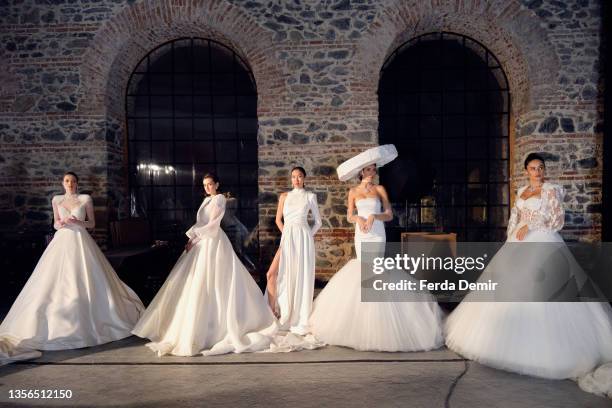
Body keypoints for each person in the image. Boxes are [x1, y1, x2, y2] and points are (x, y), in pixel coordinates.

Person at [445, 153, 612, 379]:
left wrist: (531, 225)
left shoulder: (551, 190)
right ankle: (500, 344)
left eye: (541, 167)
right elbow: (515, 216)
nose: (537, 172)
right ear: (526, 171)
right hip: (518, 241)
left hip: (543, 240)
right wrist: (511, 235)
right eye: (533, 168)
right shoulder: (522, 191)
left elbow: (556, 221)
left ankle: (542, 352)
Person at [309, 145, 444, 352]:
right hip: (361, 232)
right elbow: (349, 215)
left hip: (377, 231)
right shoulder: (353, 191)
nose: (373, 172)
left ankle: (380, 322)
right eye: (369, 169)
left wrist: (374, 216)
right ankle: (359, 323)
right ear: (362, 172)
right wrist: (360, 219)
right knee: (362, 269)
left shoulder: (380, 190)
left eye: (374, 169)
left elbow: (389, 214)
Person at [0, 172, 144, 364]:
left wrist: (78, 222)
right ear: (63, 183)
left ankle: (96, 321)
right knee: (51, 281)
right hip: (61, 242)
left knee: (85, 277)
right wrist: (58, 224)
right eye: (67, 181)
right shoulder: (56, 199)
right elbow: (55, 223)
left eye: (73, 181)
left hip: (80, 239)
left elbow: (92, 223)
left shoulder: (85, 198)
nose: (70, 184)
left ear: (77, 183)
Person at [132, 173, 278, 356]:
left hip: (213, 242)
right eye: (205, 185)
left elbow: (213, 225)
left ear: (217, 184)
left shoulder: (219, 199)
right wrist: (192, 238)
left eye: (210, 184)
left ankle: (215, 328)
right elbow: (200, 222)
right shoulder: (206, 201)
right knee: (194, 283)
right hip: (201, 240)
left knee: (215, 281)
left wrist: (194, 239)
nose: (207, 187)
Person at [265, 167, 322, 335]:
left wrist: (306, 236)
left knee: (299, 275)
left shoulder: (310, 197)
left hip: (303, 240)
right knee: (272, 274)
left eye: (299, 176)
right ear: (291, 179)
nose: (296, 179)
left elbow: (318, 222)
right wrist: (287, 235)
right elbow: (277, 220)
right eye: (293, 177)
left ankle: (296, 315)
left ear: (304, 178)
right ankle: (275, 311)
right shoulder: (285, 196)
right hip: (287, 238)